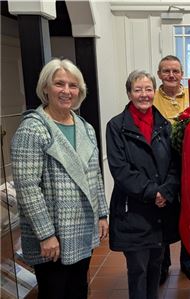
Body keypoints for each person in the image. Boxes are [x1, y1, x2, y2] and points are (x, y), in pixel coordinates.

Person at [11, 58, 109, 299]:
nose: (67, 91)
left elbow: (94, 175)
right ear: (46, 87)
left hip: (82, 229)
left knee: (78, 290)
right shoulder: (32, 129)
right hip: (53, 235)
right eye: (59, 84)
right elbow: (27, 188)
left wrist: (102, 214)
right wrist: (46, 234)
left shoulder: (85, 127)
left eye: (73, 86)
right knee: (55, 292)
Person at [106, 70, 180, 299]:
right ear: (129, 93)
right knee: (138, 269)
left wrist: (166, 191)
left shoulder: (165, 126)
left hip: (161, 211)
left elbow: (175, 165)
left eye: (148, 89)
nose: (144, 95)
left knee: (156, 266)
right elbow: (120, 170)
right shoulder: (116, 126)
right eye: (138, 90)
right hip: (133, 211)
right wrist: (153, 192)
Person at [153, 55, 190, 283]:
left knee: (189, 214)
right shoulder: (150, 99)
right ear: (159, 74)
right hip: (160, 167)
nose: (171, 75)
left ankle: (189, 261)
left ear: (182, 73)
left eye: (175, 71)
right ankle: (163, 265)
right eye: (166, 71)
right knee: (162, 214)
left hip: (188, 163)